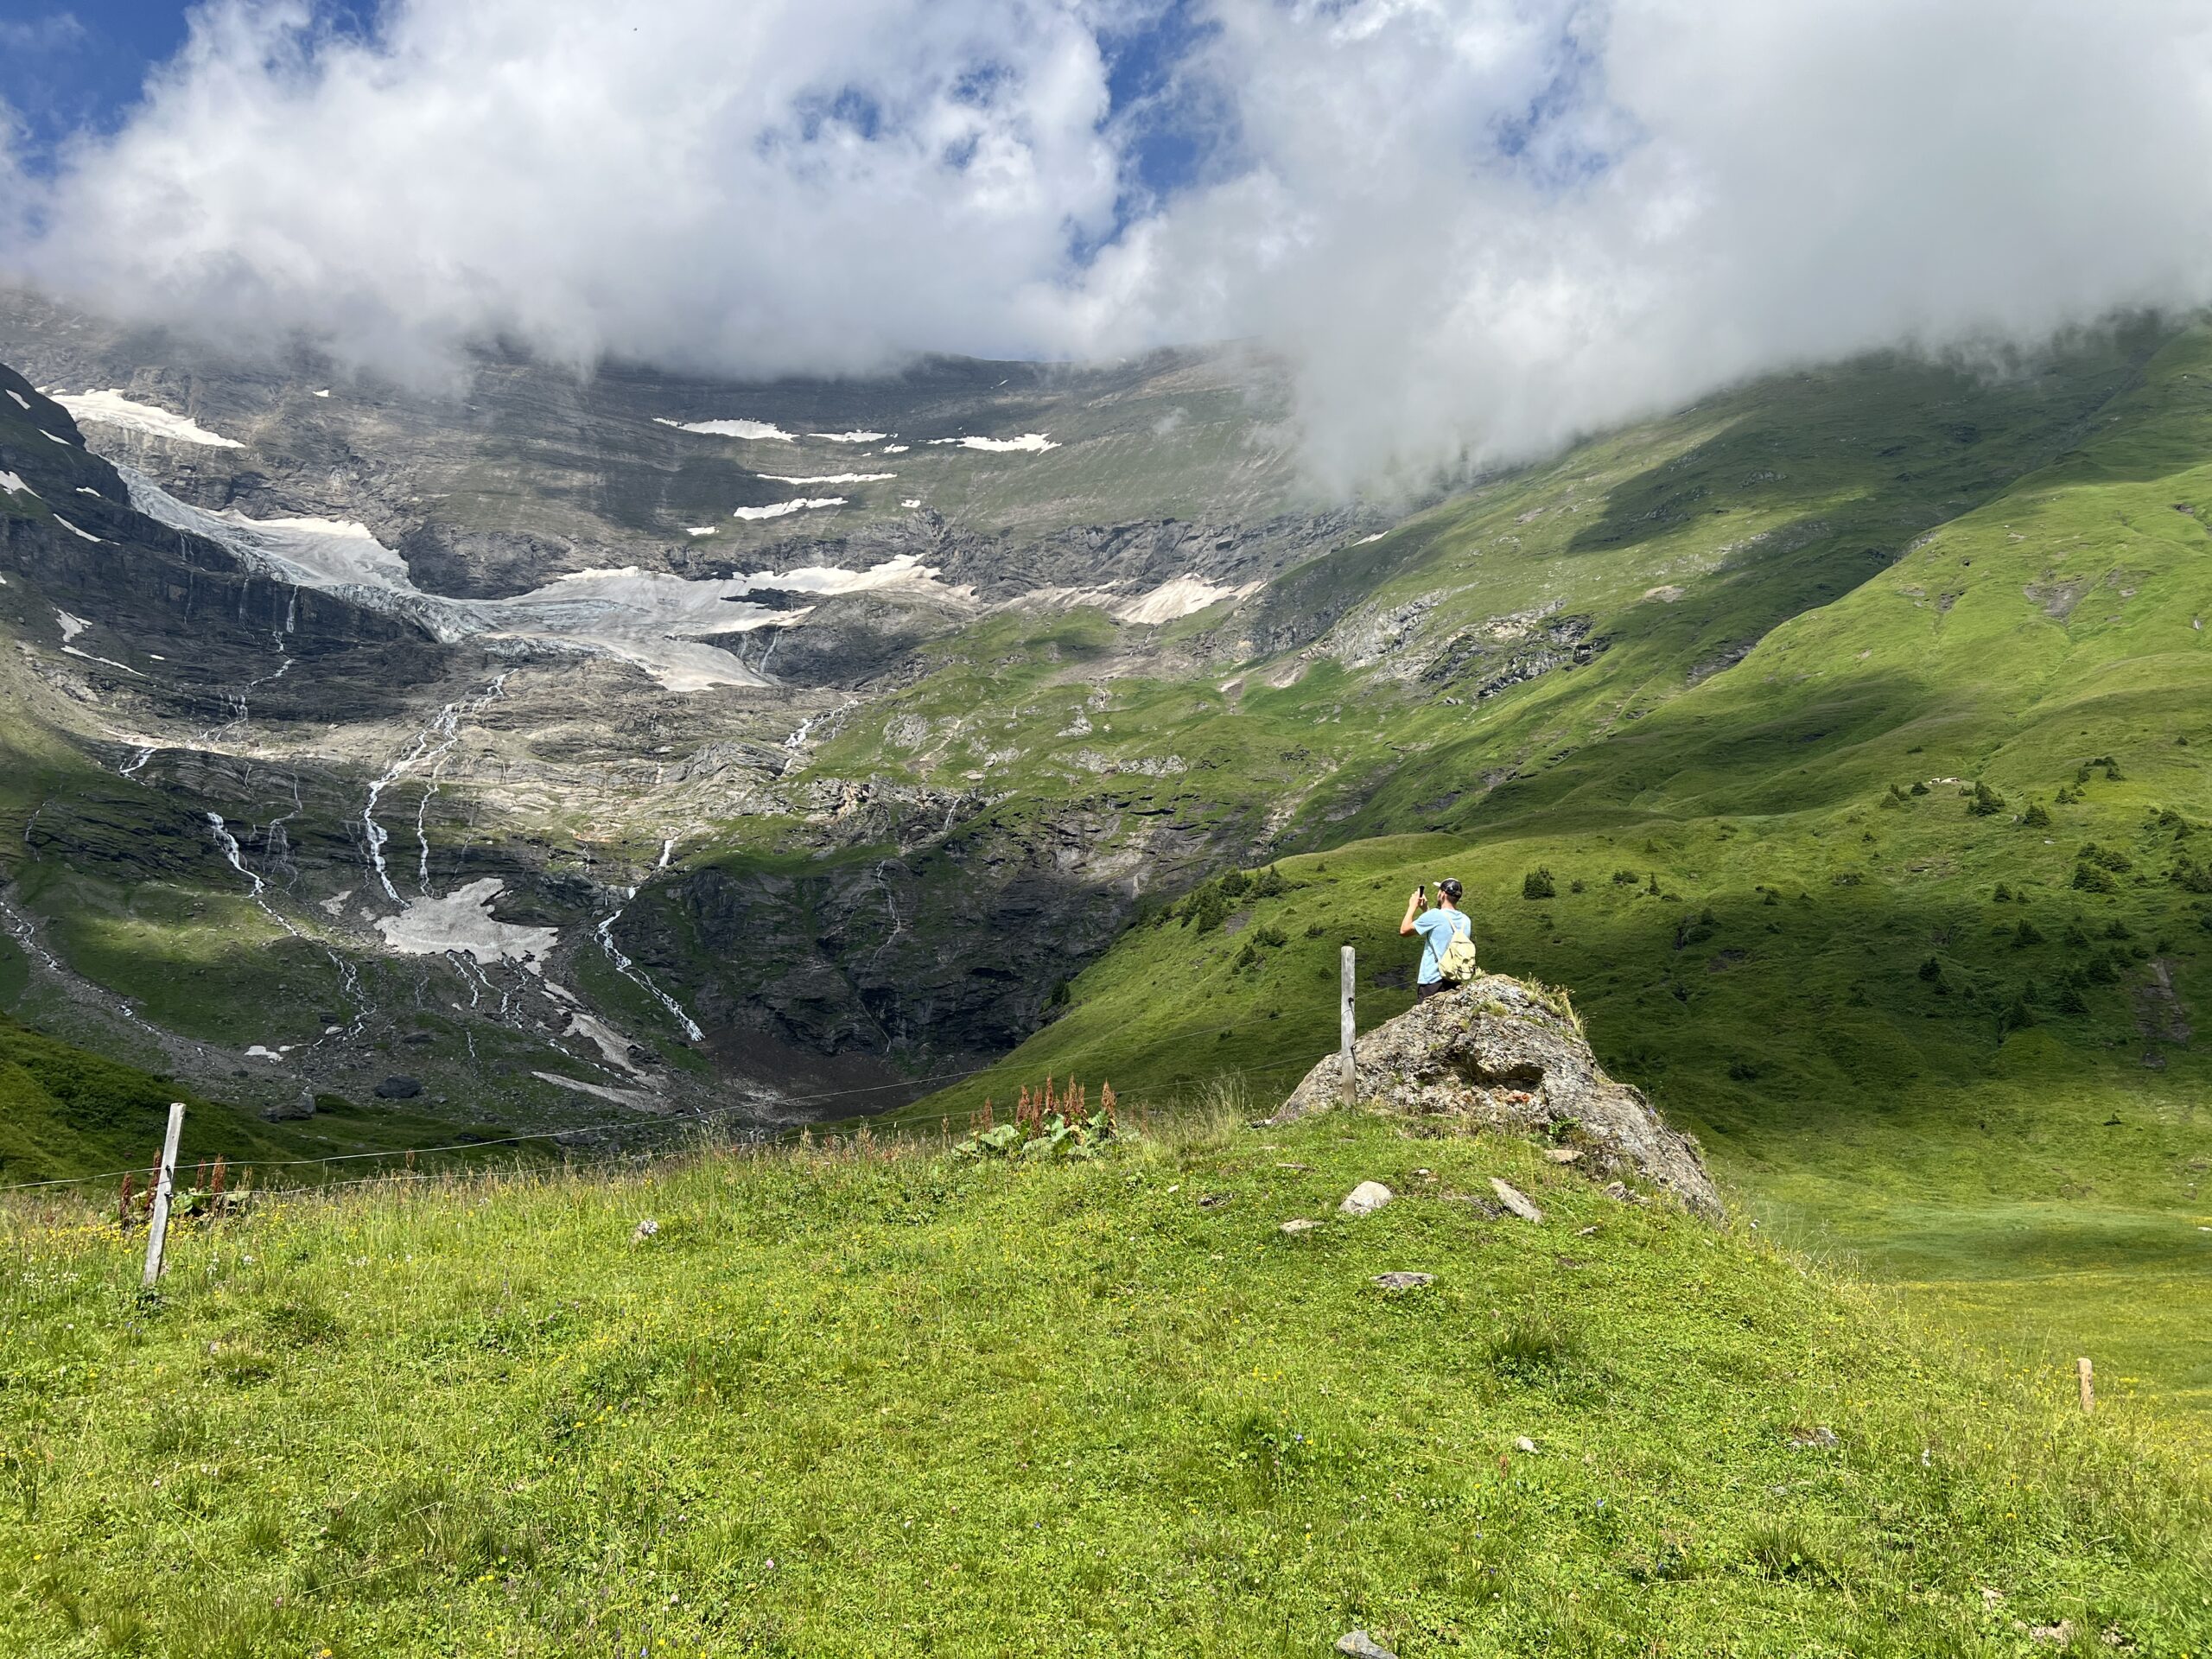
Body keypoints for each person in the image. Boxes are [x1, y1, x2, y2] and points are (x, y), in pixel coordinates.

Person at [1400, 877, 1470, 1001]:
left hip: (1432, 981)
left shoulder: (1434, 916)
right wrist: (1426, 910)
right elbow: (1442, 929)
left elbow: (1404, 931)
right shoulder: (1466, 920)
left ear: (1443, 894)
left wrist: (1412, 906)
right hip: (1456, 980)